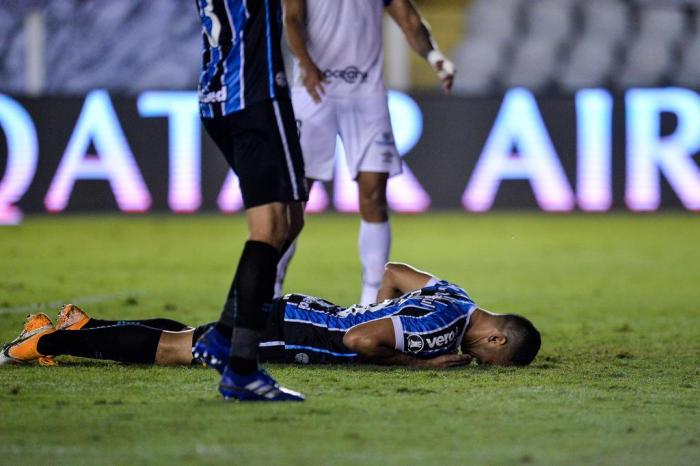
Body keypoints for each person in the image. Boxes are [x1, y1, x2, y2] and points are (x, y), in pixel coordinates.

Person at [1, 263, 541, 377]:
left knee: (193, 335)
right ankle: (52, 340)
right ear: (496, 336)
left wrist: (376, 305)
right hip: (297, 331)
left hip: (301, 311)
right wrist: (413, 363)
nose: (483, 363)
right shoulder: (439, 333)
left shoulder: (456, 293)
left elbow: (395, 272)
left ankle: (84, 324)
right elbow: (360, 339)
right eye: (495, 359)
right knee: (180, 350)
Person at [277, 0, 456, 305]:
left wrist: (435, 56)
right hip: (313, 90)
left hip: (366, 95)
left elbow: (410, 20)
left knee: (374, 195)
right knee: (294, 199)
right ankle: (269, 292)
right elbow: (291, 19)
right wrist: (306, 66)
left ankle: (371, 301)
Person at [193, 0, 308, 401]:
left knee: (291, 219)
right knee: (271, 226)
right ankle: (238, 362)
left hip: (219, 93)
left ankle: (226, 338)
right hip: (254, 94)